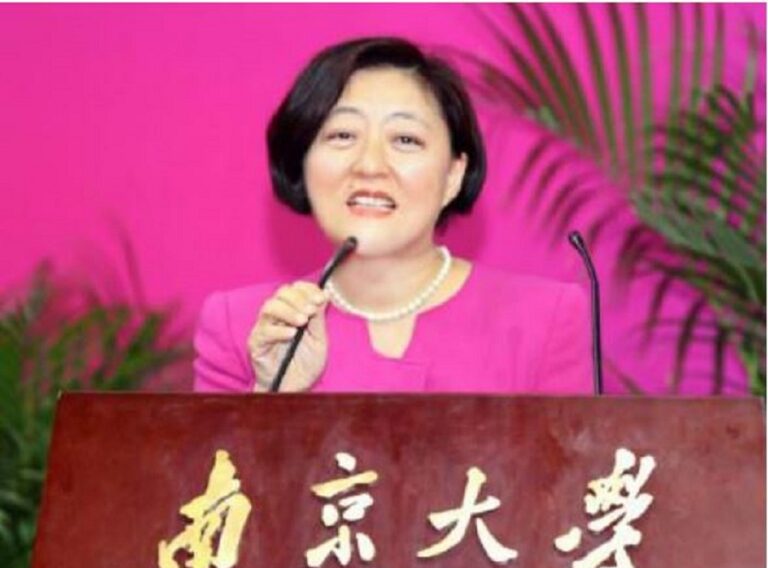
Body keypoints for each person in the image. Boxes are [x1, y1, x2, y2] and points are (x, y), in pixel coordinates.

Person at [194, 37, 592, 394]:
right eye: (342, 135)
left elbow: (571, 457)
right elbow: (215, 458)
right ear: (303, 161)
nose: (370, 165)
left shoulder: (546, 320)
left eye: (405, 139)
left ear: (453, 175)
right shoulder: (243, 327)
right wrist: (272, 398)